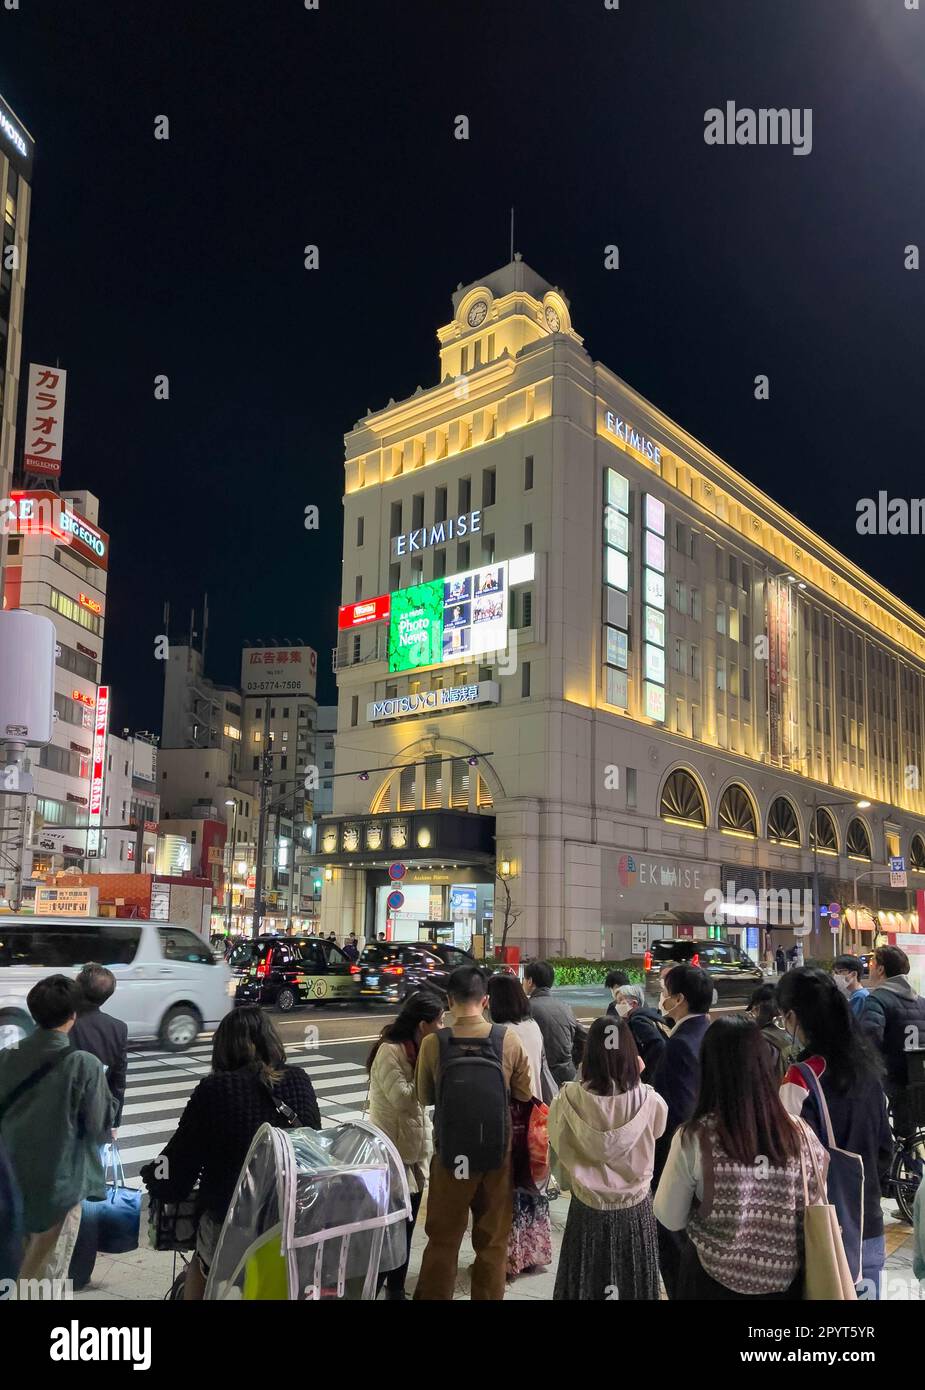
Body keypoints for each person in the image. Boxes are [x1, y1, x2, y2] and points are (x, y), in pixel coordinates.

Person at [142, 1005, 321, 1299]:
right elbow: (312, 1145)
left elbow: (178, 1159)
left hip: (232, 1221)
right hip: (291, 1220)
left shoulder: (216, 1089)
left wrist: (154, 1174)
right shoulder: (299, 1079)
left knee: (200, 1270)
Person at [654, 1015, 828, 1299]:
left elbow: (669, 1217)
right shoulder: (800, 1133)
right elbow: (816, 1202)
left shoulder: (695, 1136)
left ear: (708, 1068)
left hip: (710, 1283)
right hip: (787, 1284)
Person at [413, 966, 533, 1300]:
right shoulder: (507, 1039)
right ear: (486, 1001)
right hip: (497, 1155)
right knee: (493, 1243)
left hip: (451, 1157)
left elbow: (425, 1097)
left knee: (442, 1240)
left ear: (448, 1001)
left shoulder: (434, 1044)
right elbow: (524, 1094)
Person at [777, 967, 891, 1299]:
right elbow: (885, 1145)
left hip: (822, 1231)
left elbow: (786, 1158)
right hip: (869, 1222)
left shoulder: (801, 1078)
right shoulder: (868, 1068)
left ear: (793, 1017)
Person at [0, 975, 116, 1285]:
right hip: (59, 1184)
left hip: (10, 1181)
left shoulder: (6, 1057)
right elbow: (96, 1125)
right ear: (73, 1015)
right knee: (46, 1274)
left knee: (13, 1267)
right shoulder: (84, 1064)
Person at [549, 1016, 666, 1299]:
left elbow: (556, 1143)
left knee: (584, 1281)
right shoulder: (651, 1101)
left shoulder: (566, 1099)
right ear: (630, 1053)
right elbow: (659, 1131)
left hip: (586, 1208)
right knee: (633, 1283)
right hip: (635, 1208)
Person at [367, 991, 444, 1299]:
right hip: (391, 1154)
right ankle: (374, 1285)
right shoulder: (391, 1050)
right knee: (389, 1228)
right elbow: (402, 1098)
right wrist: (427, 1072)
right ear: (423, 1024)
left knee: (407, 1225)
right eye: (439, 1021)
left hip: (413, 1153)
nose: (442, 1026)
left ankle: (396, 1287)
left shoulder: (417, 1048)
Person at [650, 963, 712, 1299]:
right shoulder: (708, 1032)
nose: (662, 999)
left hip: (680, 1158)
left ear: (680, 999)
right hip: (711, 1158)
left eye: (664, 993)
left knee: (673, 1240)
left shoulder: (679, 1045)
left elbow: (674, 1113)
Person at [486, 973, 553, 1278]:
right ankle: (533, 1253)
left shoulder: (499, 1034)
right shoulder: (532, 1027)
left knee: (508, 1189)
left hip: (511, 1120)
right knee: (532, 1185)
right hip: (536, 1119)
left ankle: (509, 1260)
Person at [864, 945, 925, 1140]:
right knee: (909, 1134)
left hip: (891, 1081)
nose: (870, 968)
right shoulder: (921, 1001)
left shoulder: (877, 1000)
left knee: (886, 1134)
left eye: (873, 963)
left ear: (881, 969)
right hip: (918, 1078)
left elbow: (868, 1040)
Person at [70, 963, 129, 1128]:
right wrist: (114, 1122)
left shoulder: (63, 1022)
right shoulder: (118, 1028)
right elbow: (118, 1081)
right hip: (97, 1116)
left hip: (64, 1115)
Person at [523, 960, 587, 1085]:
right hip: (568, 1073)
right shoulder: (565, 1007)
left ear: (530, 981)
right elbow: (583, 1038)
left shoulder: (526, 1008)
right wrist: (572, 1062)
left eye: (524, 979)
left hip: (541, 1076)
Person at [611, 984, 669, 1076]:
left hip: (653, 1075)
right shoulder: (650, 1015)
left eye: (620, 1001)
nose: (617, 1006)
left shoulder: (637, 1020)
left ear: (634, 1003)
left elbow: (658, 1044)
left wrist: (644, 1071)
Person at [745, 983, 795, 1079]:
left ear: (758, 1009)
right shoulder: (795, 1033)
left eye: (752, 1012)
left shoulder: (759, 1041)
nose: (751, 1017)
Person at [832, 954, 881, 1038]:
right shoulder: (856, 994)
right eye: (835, 972)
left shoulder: (860, 997)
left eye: (841, 972)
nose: (837, 976)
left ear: (854, 974)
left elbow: (847, 1024)